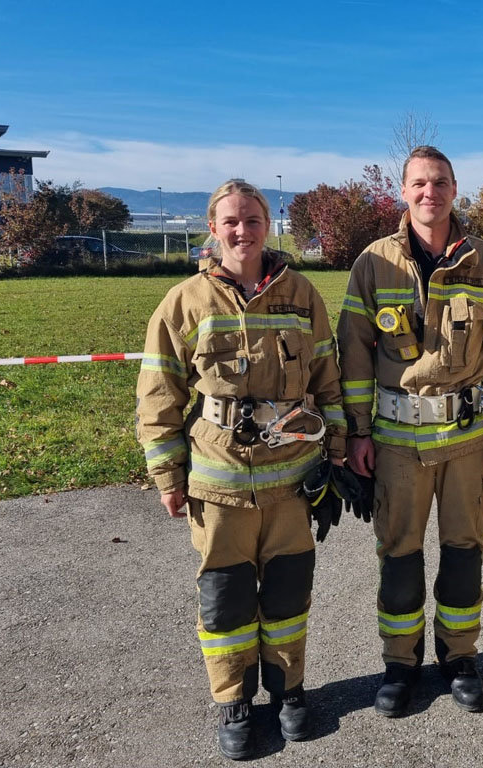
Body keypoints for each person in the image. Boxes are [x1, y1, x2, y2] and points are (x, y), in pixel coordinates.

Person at [135, 180, 347, 760]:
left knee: (288, 595)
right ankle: (233, 702)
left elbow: (327, 379)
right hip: (218, 483)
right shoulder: (184, 301)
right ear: (213, 228)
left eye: (252, 220)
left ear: (267, 225)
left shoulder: (301, 294)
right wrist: (168, 476)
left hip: (292, 482)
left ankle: (289, 691)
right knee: (226, 601)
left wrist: (337, 453)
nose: (242, 230)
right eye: (230, 221)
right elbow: (159, 394)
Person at [336, 146, 483, 717]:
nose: (430, 192)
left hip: (469, 441)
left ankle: (459, 657)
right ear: (403, 192)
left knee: (464, 553)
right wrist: (358, 434)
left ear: (454, 189)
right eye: (419, 182)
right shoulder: (373, 262)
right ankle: (400, 664)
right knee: (399, 556)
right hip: (397, 443)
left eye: (440, 182)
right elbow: (354, 354)